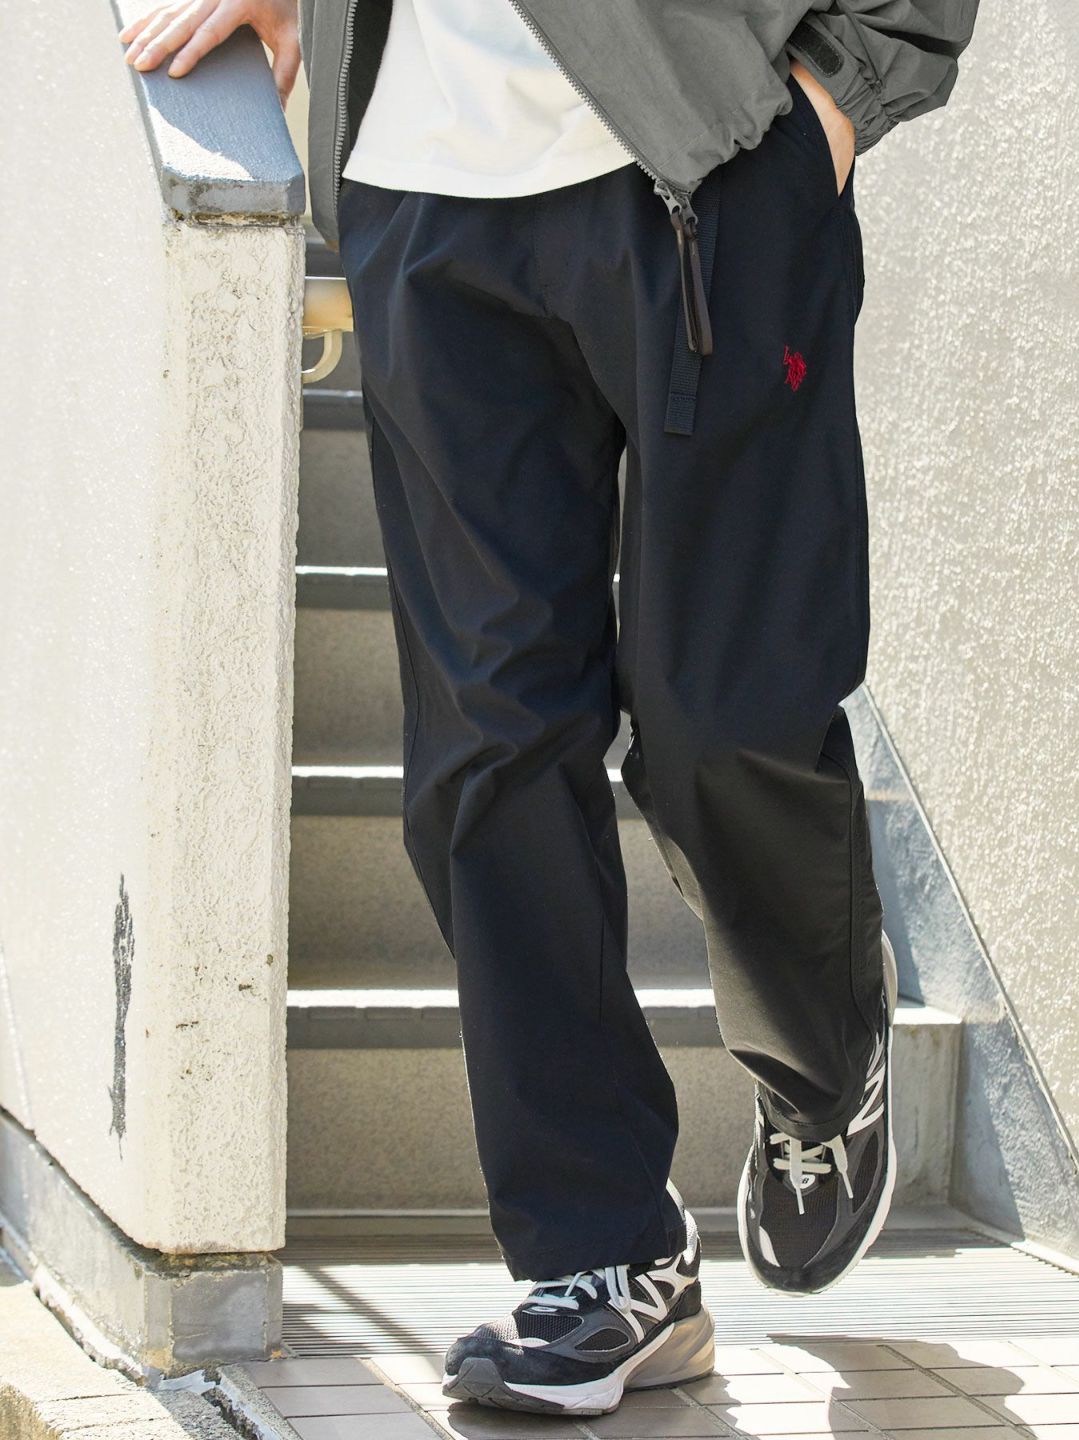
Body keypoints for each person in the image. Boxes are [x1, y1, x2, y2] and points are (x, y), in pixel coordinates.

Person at [122, 0, 978, 1417]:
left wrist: (851, 78)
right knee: (488, 751)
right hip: (421, 188)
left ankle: (825, 1046)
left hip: (705, 158)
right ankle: (605, 1251)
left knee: (725, 720)